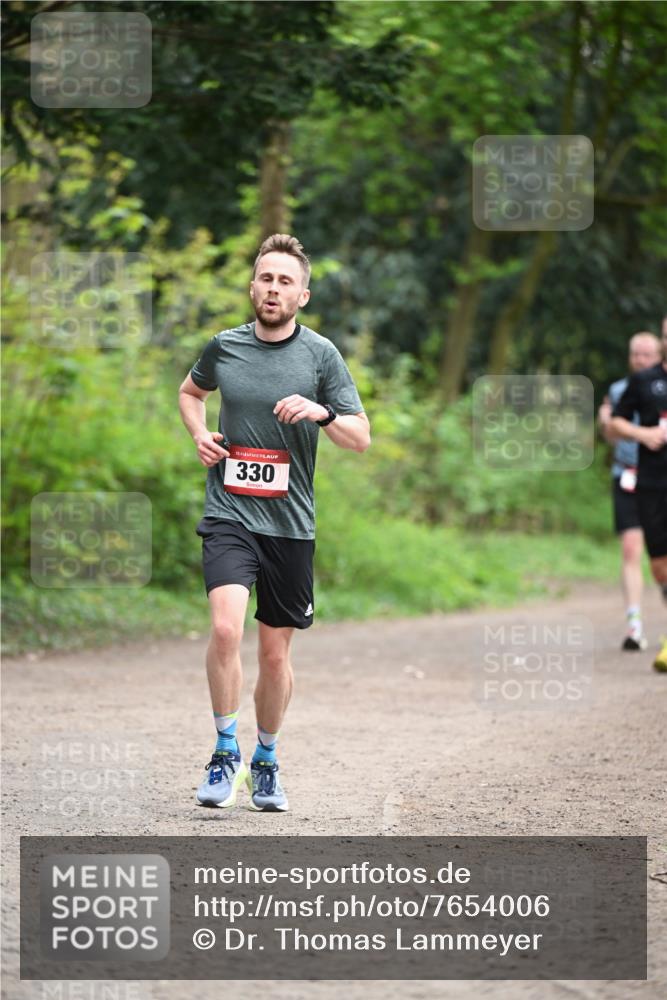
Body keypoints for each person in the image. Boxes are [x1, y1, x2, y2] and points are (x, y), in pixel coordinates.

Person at [179, 233, 370, 810]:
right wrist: (200, 434)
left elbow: (360, 437)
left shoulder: (321, 356)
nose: (273, 288)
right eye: (266, 278)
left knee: (273, 656)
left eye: (285, 281)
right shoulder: (224, 346)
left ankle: (265, 758)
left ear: (302, 296)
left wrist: (322, 412)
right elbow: (190, 393)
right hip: (229, 512)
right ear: (252, 286)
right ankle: (224, 751)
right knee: (225, 630)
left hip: (289, 525)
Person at [598, 333, 662, 650]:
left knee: (660, 559)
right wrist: (606, 424)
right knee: (630, 548)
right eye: (635, 353)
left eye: (646, 354)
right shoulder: (618, 390)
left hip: (659, 479)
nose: (640, 359)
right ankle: (634, 625)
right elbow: (611, 436)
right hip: (627, 475)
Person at [611, 318, 667, 673]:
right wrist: (643, 434)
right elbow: (614, 424)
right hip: (646, 480)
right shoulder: (640, 382)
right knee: (656, 561)